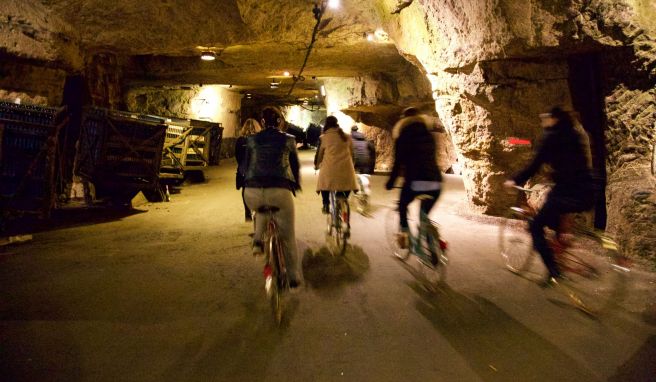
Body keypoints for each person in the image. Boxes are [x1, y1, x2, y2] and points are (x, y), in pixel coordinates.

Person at [504, 106, 594, 282]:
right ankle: (561, 246)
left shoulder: (551, 137)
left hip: (566, 191)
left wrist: (514, 180)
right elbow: (574, 163)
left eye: (545, 117)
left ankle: (553, 271)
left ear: (554, 119)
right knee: (554, 219)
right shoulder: (575, 134)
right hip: (586, 190)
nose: (542, 121)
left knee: (536, 226)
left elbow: (534, 164)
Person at [243, 107, 302, 287]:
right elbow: (295, 166)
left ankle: (258, 241)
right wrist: (295, 185)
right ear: (280, 122)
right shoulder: (289, 140)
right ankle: (293, 279)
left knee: (261, 208)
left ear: (261, 123)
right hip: (279, 189)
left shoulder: (251, 140)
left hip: (252, 190)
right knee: (288, 237)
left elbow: (244, 167)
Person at [386, 108, 442, 248]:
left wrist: (391, 182)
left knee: (402, 205)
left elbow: (398, 163)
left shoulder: (403, 136)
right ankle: (431, 242)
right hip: (436, 182)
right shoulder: (430, 135)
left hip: (416, 182)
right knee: (424, 215)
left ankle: (405, 235)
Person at [315, 116, 358, 214]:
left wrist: (317, 165)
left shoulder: (324, 137)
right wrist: (353, 165)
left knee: (324, 183)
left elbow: (320, 155)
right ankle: (342, 199)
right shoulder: (347, 136)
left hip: (329, 171)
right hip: (346, 171)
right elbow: (352, 154)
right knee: (347, 185)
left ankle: (326, 204)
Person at [235, 118, 262, 222]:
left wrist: (242, 165)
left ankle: (247, 213)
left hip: (244, 170)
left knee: (245, 190)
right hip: (258, 169)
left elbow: (237, 155)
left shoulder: (240, 140)